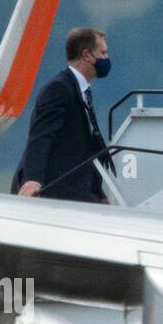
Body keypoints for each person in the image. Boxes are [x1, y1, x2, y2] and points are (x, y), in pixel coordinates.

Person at [12, 27, 114, 202]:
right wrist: (33, 179)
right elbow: (41, 136)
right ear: (87, 55)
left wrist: (98, 192)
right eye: (103, 53)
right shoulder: (59, 89)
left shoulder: (81, 91)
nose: (106, 58)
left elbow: (88, 147)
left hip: (77, 190)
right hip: (54, 191)